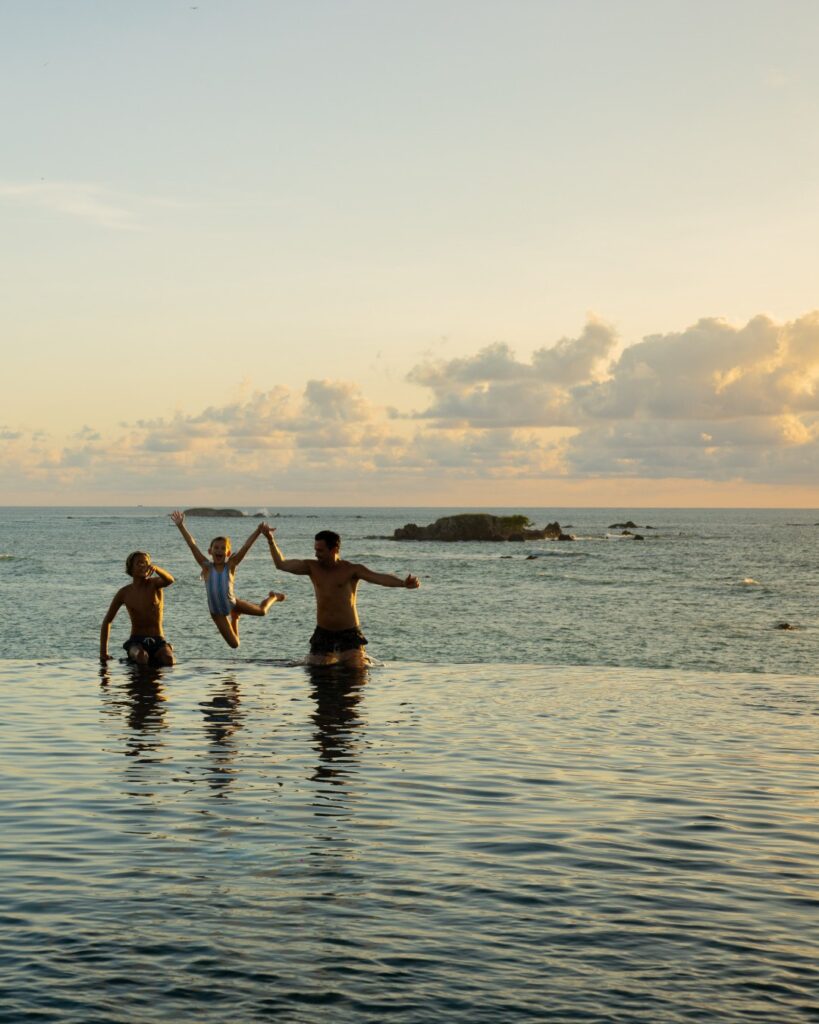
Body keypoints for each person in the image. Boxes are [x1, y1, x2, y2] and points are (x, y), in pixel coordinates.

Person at [262, 524, 420, 666]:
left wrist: (403, 583)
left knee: (355, 675)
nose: (316, 554)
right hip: (323, 632)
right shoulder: (311, 567)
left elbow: (379, 578)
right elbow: (281, 564)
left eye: (321, 551)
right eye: (315, 550)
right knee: (317, 677)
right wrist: (270, 540)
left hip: (349, 632)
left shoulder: (351, 570)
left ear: (335, 549)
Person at [171, 510, 285, 648]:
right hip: (217, 613)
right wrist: (181, 526)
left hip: (233, 603)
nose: (219, 550)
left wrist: (258, 531)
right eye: (216, 548)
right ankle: (235, 618)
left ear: (228, 553)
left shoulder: (230, 566)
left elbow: (246, 546)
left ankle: (274, 597)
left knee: (262, 611)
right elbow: (192, 545)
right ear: (210, 551)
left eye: (223, 548)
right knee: (235, 644)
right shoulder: (206, 567)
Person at [100, 551, 175, 666]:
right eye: (139, 563)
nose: (143, 565)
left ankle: (165, 651)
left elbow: (170, 580)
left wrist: (156, 569)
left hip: (158, 639)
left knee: (169, 660)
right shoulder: (124, 593)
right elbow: (108, 620)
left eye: (146, 563)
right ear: (130, 568)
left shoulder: (154, 584)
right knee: (141, 656)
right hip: (136, 641)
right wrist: (103, 652)